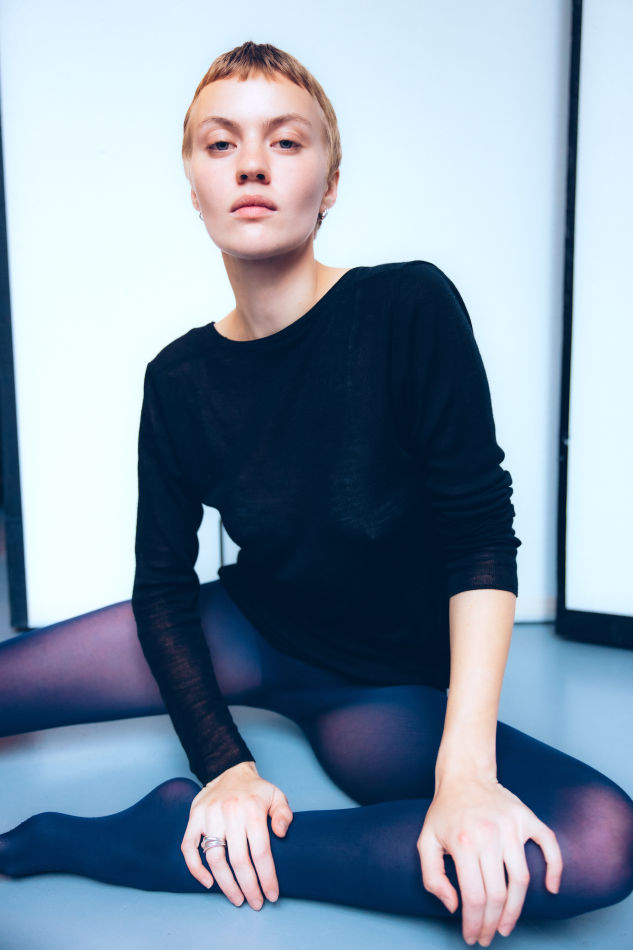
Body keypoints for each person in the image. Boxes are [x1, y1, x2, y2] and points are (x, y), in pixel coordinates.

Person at [1, 40, 632, 949]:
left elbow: (480, 538)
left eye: (286, 141)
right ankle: (202, 817)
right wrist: (223, 762)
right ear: (194, 187)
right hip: (249, 631)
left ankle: (154, 846)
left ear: (329, 184)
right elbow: (163, 587)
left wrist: (463, 771)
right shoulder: (178, 379)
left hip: (382, 691)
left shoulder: (407, 308)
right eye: (221, 143)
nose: (251, 164)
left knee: (596, 843)